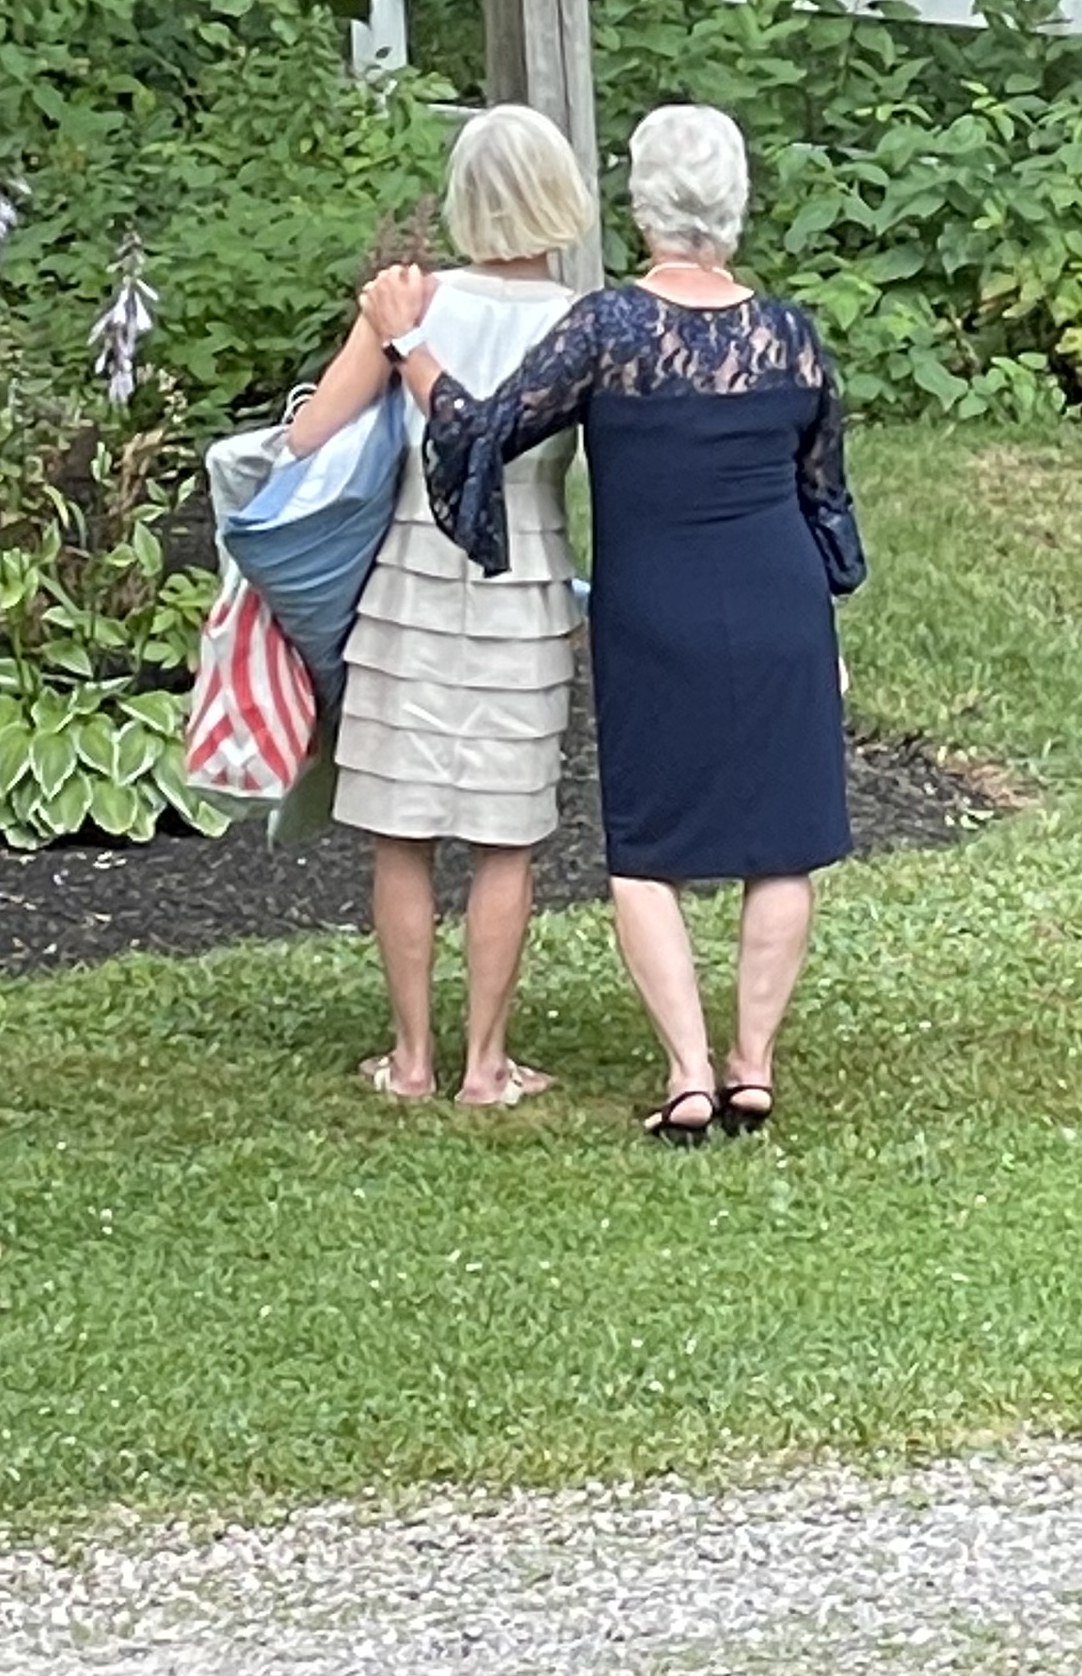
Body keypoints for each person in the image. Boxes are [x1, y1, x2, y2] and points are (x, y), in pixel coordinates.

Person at [364, 105, 863, 1147]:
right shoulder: (790, 334)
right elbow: (824, 495)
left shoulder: (609, 328)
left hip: (656, 607)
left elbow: (481, 434)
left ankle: (688, 1073)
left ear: (640, 209)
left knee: (648, 852)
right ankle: (753, 1065)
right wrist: (829, 617)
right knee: (782, 850)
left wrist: (408, 343)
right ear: (737, 207)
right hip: (781, 602)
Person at [286, 104, 594, 1110]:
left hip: (411, 579)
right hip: (525, 583)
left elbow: (309, 435)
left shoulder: (409, 304)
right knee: (506, 837)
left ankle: (410, 1057)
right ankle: (485, 1065)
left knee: (402, 830)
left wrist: (382, 347)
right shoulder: (583, 322)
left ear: (464, 201)